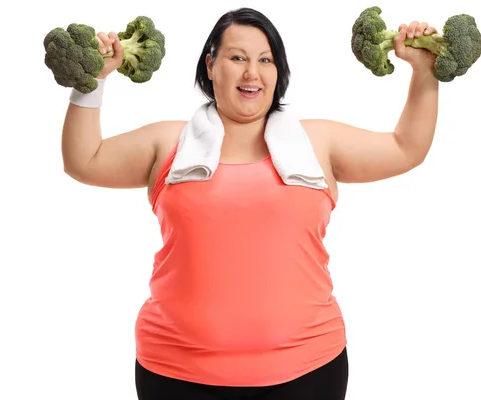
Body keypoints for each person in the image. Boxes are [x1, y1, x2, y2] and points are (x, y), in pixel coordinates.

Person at [61, 7, 439, 400]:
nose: (251, 74)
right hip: (175, 373)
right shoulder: (169, 143)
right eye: (237, 58)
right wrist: (92, 80)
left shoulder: (317, 143)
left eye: (265, 60)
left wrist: (424, 72)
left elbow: (406, 147)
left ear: (279, 71)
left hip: (308, 371)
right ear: (211, 65)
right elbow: (82, 161)